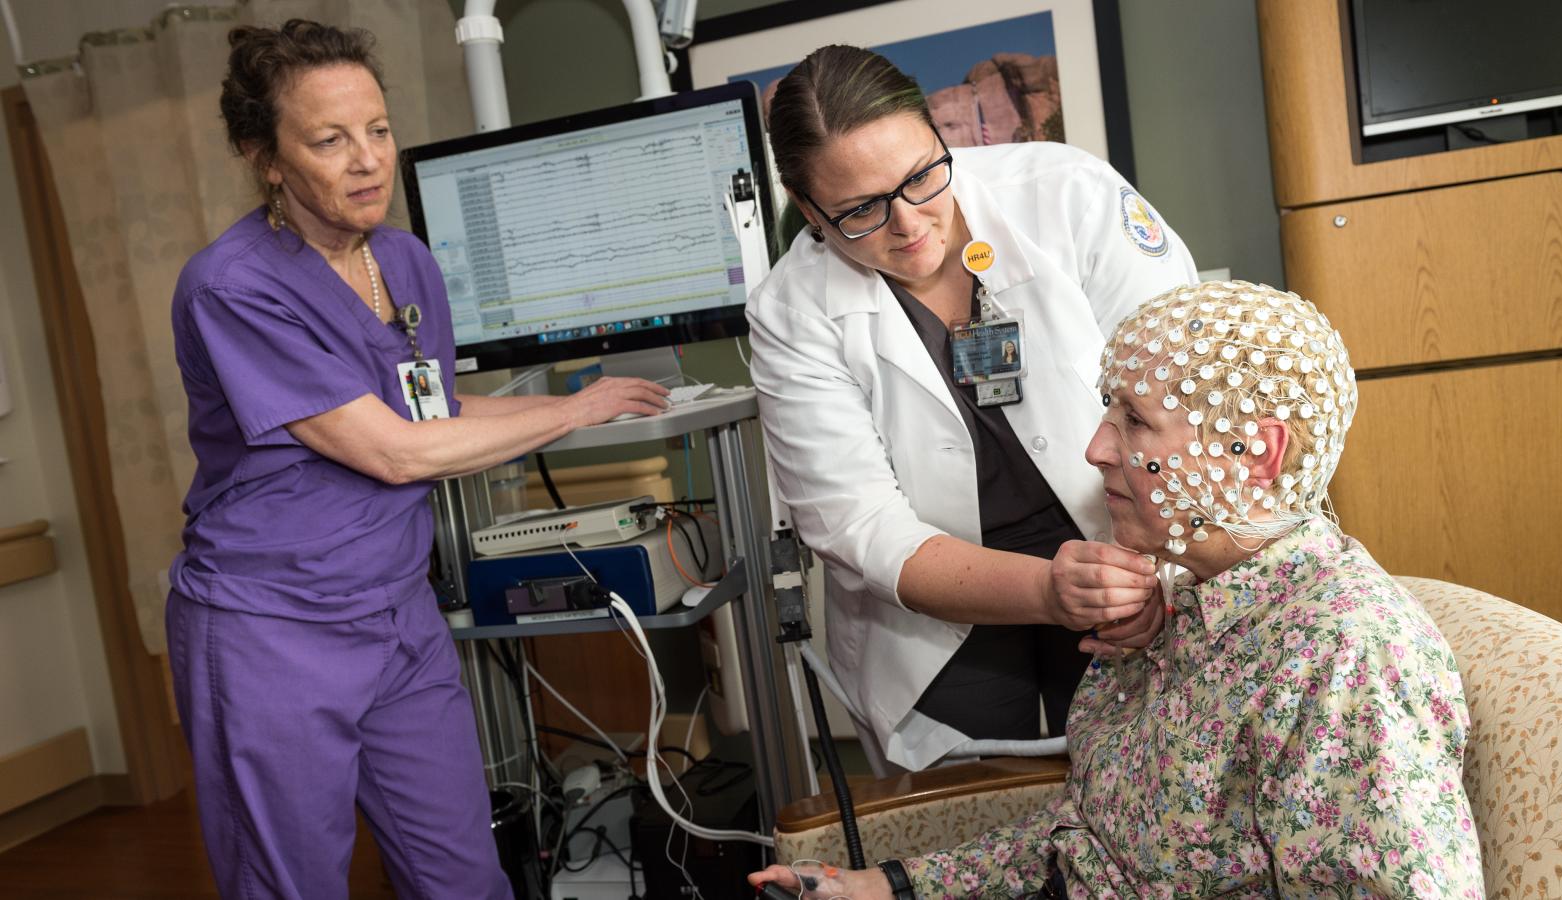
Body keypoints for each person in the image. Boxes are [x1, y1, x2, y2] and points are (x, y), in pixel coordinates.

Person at [750, 281, 1483, 898]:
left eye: (1134, 420)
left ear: (1259, 453)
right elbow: (1094, 840)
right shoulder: (1178, 607)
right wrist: (888, 886)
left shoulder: (1344, 660)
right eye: (1109, 410)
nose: (1097, 447)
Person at [165, 20, 668, 899]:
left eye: (379, 130)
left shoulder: (404, 261)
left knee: (463, 877)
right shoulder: (233, 286)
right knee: (293, 885)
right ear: (266, 157)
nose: (367, 160)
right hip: (272, 630)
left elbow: (425, 407)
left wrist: (565, 405)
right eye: (329, 140)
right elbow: (396, 453)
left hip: (399, 620)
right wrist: (570, 413)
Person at [747, 45, 1199, 771]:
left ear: (938, 134)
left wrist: (1152, 575)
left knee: (1145, 802)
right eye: (861, 210)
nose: (909, 224)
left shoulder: (1066, 196)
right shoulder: (791, 312)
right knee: (980, 830)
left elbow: (1184, 397)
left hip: (1126, 543)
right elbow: (860, 522)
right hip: (941, 589)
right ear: (810, 212)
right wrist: (1050, 590)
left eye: (922, 176)